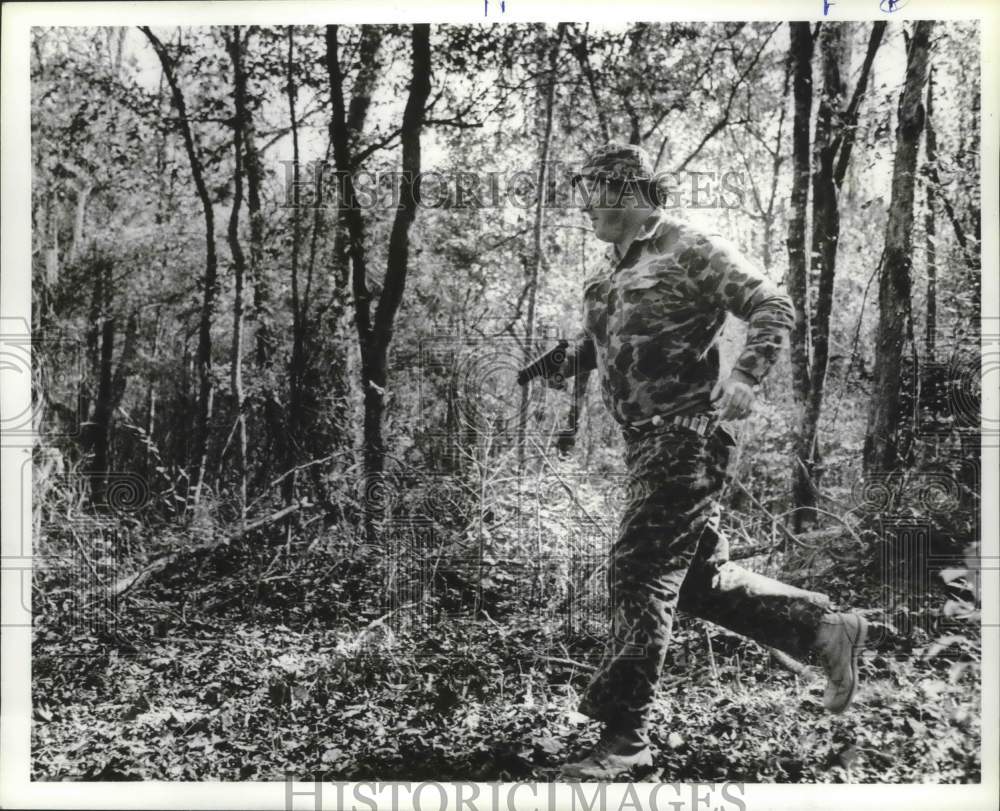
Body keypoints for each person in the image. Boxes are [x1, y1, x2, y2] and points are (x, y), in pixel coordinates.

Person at [547, 142, 869, 780]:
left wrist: (748, 374)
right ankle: (824, 627)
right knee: (696, 582)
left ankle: (625, 739)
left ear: (630, 191)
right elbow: (607, 342)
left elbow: (771, 303)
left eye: (594, 190)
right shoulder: (609, 274)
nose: (584, 204)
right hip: (645, 443)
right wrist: (565, 362)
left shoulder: (688, 248)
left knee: (637, 571)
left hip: (686, 436)